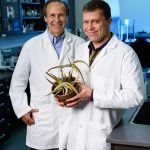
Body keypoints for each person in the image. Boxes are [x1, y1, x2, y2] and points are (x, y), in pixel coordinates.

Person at [56, 0, 145, 150]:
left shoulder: (125, 53)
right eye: (86, 22)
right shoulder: (81, 49)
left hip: (100, 137)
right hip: (75, 134)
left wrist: (92, 94)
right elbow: (75, 83)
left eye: (95, 21)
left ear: (109, 21)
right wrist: (64, 95)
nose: (89, 27)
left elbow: (136, 96)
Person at [9, 0, 84, 150]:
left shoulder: (79, 44)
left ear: (67, 17)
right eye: (52, 15)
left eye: (61, 15)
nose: (57, 20)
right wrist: (22, 110)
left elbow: (85, 79)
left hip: (72, 116)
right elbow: (17, 83)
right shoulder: (31, 46)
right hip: (43, 119)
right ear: (45, 18)